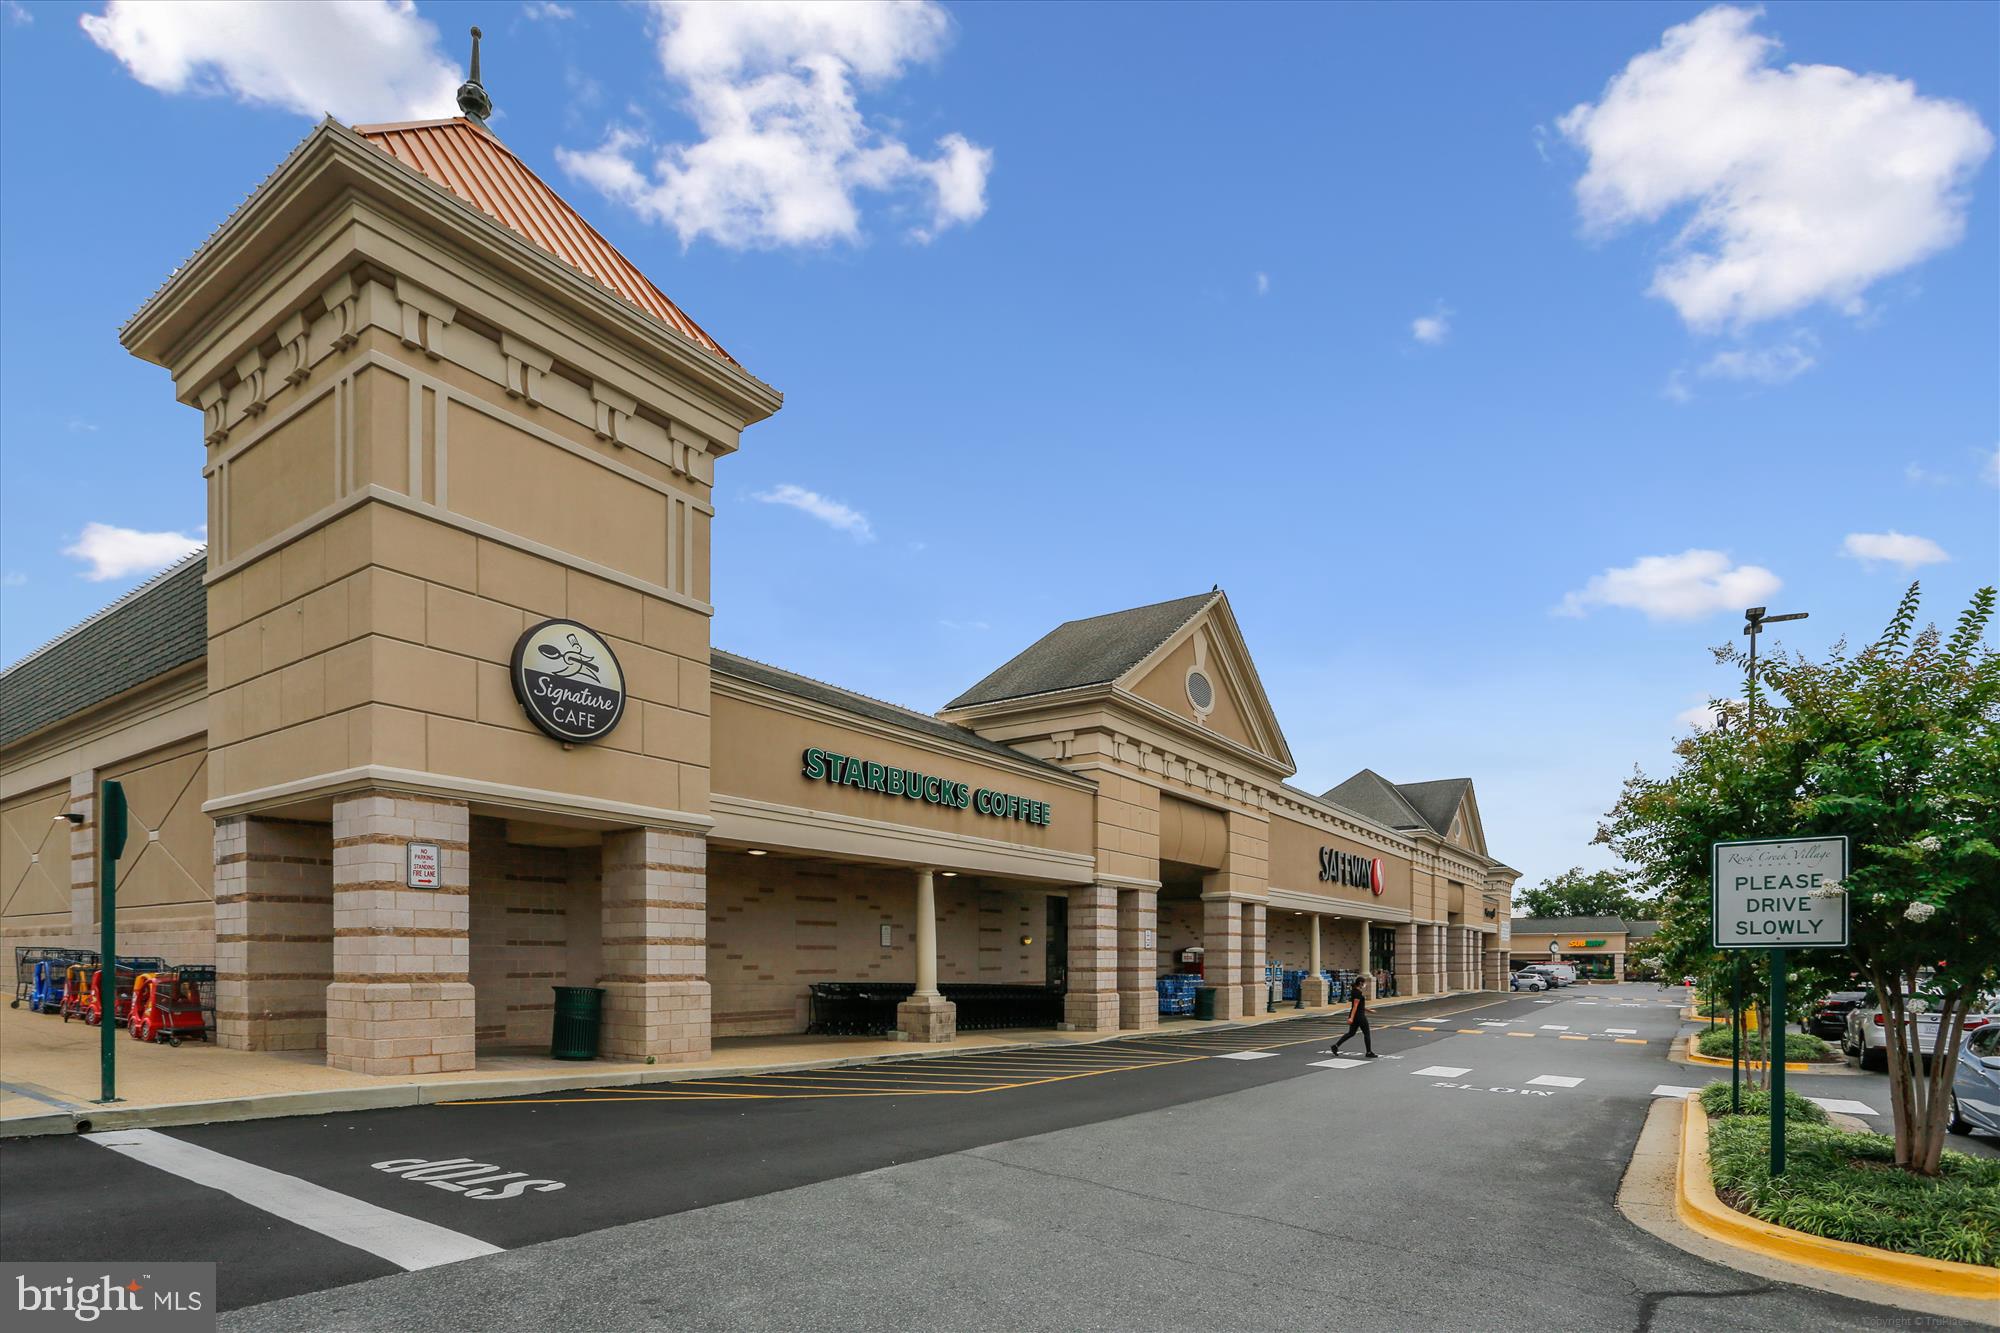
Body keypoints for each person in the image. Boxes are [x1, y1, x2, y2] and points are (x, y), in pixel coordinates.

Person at [1327, 974, 1376, 1058]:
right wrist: (1351, 1018)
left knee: (1351, 1033)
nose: (1364, 985)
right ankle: (1368, 1052)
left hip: (1356, 1015)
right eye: (1363, 983)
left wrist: (1368, 1010)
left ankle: (1335, 1046)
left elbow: (1359, 1005)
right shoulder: (1357, 993)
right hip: (1359, 1016)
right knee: (1366, 1033)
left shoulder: (1354, 991)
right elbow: (1355, 1006)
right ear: (1360, 983)